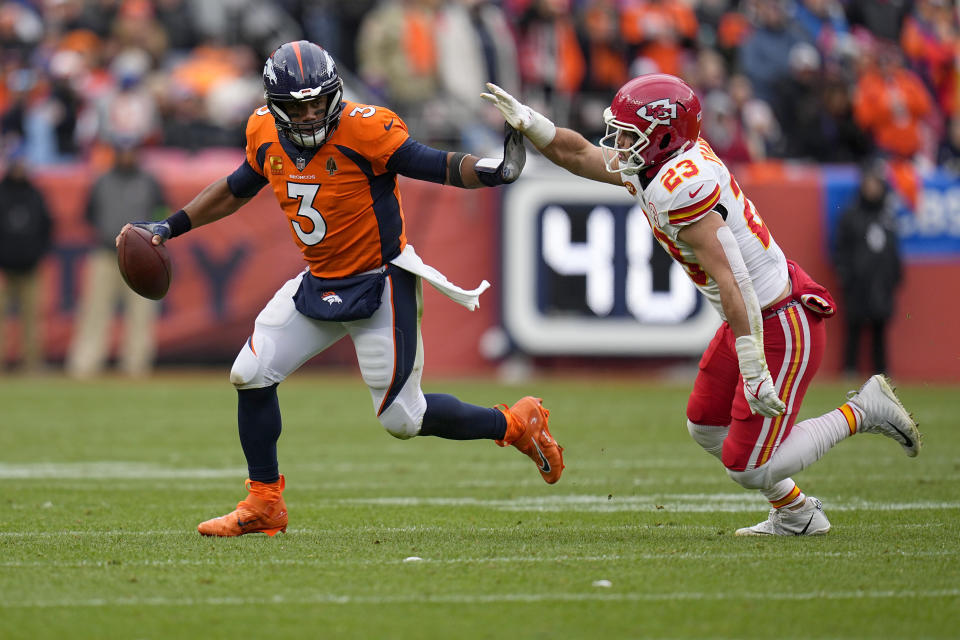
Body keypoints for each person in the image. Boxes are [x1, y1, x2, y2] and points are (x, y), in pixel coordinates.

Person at [120, 40, 563, 538]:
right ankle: (264, 501)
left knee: (403, 418)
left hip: (380, 281)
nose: (309, 116)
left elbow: (432, 163)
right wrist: (169, 226)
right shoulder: (264, 131)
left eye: (317, 103)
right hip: (319, 280)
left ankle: (515, 424)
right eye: (297, 107)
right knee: (250, 373)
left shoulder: (365, 129)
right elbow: (235, 189)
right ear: (275, 106)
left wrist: (492, 171)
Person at [482, 73, 921, 535]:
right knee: (705, 425)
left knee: (747, 467)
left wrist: (754, 367)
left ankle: (862, 410)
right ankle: (798, 514)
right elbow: (579, 154)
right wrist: (530, 122)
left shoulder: (679, 185)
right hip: (751, 314)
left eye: (631, 133)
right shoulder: (657, 163)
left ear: (664, 137)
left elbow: (732, 279)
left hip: (778, 319)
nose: (620, 142)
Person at [66, 139, 167, 378]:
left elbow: (162, 211)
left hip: (141, 258)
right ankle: (85, 364)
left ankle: (136, 364)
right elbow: (89, 214)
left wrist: (149, 237)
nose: (126, 156)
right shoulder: (102, 180)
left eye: (131, 151)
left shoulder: (149, 181)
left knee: (141, 312)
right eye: (122, 151)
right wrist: (106, 234)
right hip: (105, 253)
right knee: (94, 309)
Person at [832, 160, 903, 377]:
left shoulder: (888, 216)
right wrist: (845, 273)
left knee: (879, 330)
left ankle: (882, 374)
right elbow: (841, 247)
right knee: (853, 328)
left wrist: (895, 276)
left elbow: (893, 249)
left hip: (881, 282)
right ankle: (849, 370)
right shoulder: (851, 215)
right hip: (856, 283)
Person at [0, 152, 54, 373]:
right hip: (3, 268)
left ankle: (32, 363)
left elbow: (47, 227)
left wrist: (37, 254)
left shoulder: (35, 194)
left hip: (30, 267)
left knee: (33, 318)